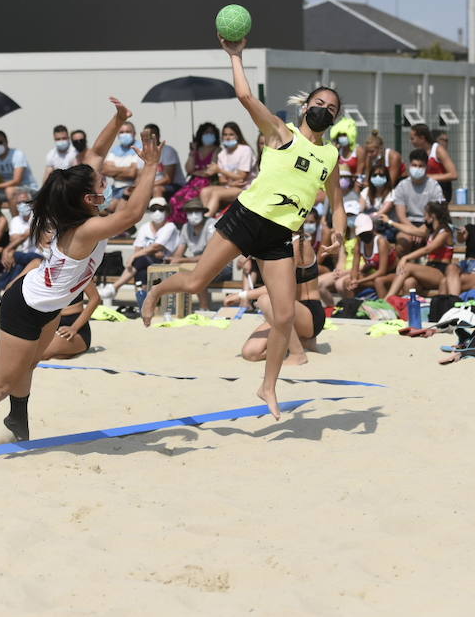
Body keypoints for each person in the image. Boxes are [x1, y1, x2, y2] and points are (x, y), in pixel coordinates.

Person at [141, 35, 348, 419]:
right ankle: (156, 291)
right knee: (195, 282)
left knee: (284, 315)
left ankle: (268, 387)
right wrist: (236, 56)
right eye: (319, 103)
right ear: (306, 107)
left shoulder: (330, 155)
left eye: (331, 107)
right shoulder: (280, 133)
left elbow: (337, 203)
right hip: (246, 218)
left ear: (336, 117)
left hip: (279, 236)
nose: (324, 109)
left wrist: (339, 234)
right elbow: (246, 98)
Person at [0, 98, 161, 452]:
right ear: (89, 197)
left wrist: (118, 117)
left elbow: (96, 151)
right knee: (0, 382)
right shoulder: (86, 228)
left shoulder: (76, 207)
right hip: (23, 308)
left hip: (45, 305)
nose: (104, 180)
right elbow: (134, 213)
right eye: (101, 182)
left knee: (30, 363)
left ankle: (18, 419)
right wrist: (150, 165)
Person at [228, 225, 334, 366]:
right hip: (287, 313)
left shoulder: (299, 244)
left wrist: (241, 295)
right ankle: (301, 341)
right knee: (251, 353)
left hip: (309, 314)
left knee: (265, 300)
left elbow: (278, 288)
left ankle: (298, 354)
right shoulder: (281, 244)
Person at [103, 197, 179, 301]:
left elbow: (157, 246)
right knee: (141, 271)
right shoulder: (145, 227)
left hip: (166, 262)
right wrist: (142, 254)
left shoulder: (170, 226)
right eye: (153, 209)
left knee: (140, 260)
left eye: (161, 209)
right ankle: (143, 305)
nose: (157, 212)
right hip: (146, 262)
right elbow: (138, 248)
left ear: (166, 211)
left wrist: (134, 256)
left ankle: (115, 287)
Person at [383, 202, 454, 298]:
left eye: (425, 214)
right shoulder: (430, 231)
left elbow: (428, 249)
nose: (424, 218)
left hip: (441, 271)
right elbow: (410, 230)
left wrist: (406, 257)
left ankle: (388, 299)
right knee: (409, 282)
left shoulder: (445, 232)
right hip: (429, 268)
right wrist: (390, 221)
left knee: (407, 267)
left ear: (432, 216)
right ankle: (405, 309)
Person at [383, 149, 443, 254]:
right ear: (409, 166)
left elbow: (436, 214)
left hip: (428, 225)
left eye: (421, 166)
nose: (417, 168)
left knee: (436, 240)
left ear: (427, 167)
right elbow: (401, 216)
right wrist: (415, 231)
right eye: (414, 165)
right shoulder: (402, 186)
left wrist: (421, 232)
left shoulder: (434, 186)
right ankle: (401, 268)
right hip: (408, 223)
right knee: (402, 241)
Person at [169, 198, 220, 309]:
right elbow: (179, 253)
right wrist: (172, 260)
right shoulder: (186, 227)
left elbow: (210, 256)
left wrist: (182, 260)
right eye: (190, 212)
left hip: (220, 265)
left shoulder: (211, 224)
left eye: (196, 211)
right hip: (198, 263)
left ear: (203, 212)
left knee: (199, 271)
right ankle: (176, 308)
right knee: (173, 269)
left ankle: (204, 308)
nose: (193, 215)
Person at [169, 122, 222, 222]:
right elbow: (189, 168)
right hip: (193, 182)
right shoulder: (197, 150)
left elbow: (209, 171)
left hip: (208, 182)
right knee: (175, 199)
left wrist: (195, 172)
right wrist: (192, 152)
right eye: (206, 132)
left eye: (211, 133)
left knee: (189, 199)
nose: (209, 135)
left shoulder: (217, 150)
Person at [200, 125, 256, 215]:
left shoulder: (245, 150)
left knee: (216, 194)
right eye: (225, 135)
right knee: (204, 191)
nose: (228, 137)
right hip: (230, 186)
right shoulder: (222, 154)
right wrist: (230, 183)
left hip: (245, 188)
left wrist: (220, 170)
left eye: (231, 134)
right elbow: (222, 180)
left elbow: (242, 177)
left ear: (237, 136)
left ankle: (206, 219)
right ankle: (209, 218)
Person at [0, 188, 41, 292]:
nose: (22, 204)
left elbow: (22, 237)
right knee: (18, 266)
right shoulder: (15, 220)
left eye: (25, 201)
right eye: (19, 202)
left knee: (14, 256)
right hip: (24, 256)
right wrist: (23, 236)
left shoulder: (38, 218)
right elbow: (14, 239)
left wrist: (9, 250)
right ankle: (10, 290)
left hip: (39, 255)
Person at [42, 283, 102, 360]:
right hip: (49, 324)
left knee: (40, 353)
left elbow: (95, 299)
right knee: (28, 350)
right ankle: (64, 353)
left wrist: (74, 328)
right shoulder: (42, 271)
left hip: (74, 326)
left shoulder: (80, 271)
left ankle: (64, 352)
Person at [102, 118, 144, 206]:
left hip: (131, 188)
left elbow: (132, 174)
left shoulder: (139, 148)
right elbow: (105, 170)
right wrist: (126, 170)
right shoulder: (115, 150)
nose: (124, 134)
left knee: (113, 207)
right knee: (101, 209)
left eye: (128, 131)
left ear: (134, 133)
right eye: (121, 132)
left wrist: (114, 172)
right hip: (115, 188)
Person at [410, 123, 458, 201]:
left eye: (413, 138)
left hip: (440, 191)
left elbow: (453, 175)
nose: (411, 141)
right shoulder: (418, 152)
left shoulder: (438, 150)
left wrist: (429, 177)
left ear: (422, 138)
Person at [0, 130, 38, 196]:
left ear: (6, 142)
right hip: (5, 188)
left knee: (10, 191)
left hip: (27, 188)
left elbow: (17, 181)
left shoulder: (17, 154)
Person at [143, 123, 183, 198]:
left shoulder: (168, 151)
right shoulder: (143, 153)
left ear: (158, 136)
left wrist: (148, 186)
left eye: (152, 135)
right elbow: (140, 175)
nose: (149, 138)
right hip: (151, 185)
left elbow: (168, 179)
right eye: (146, 136)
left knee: (156, 189)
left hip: (173, 186)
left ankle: (158, 209)